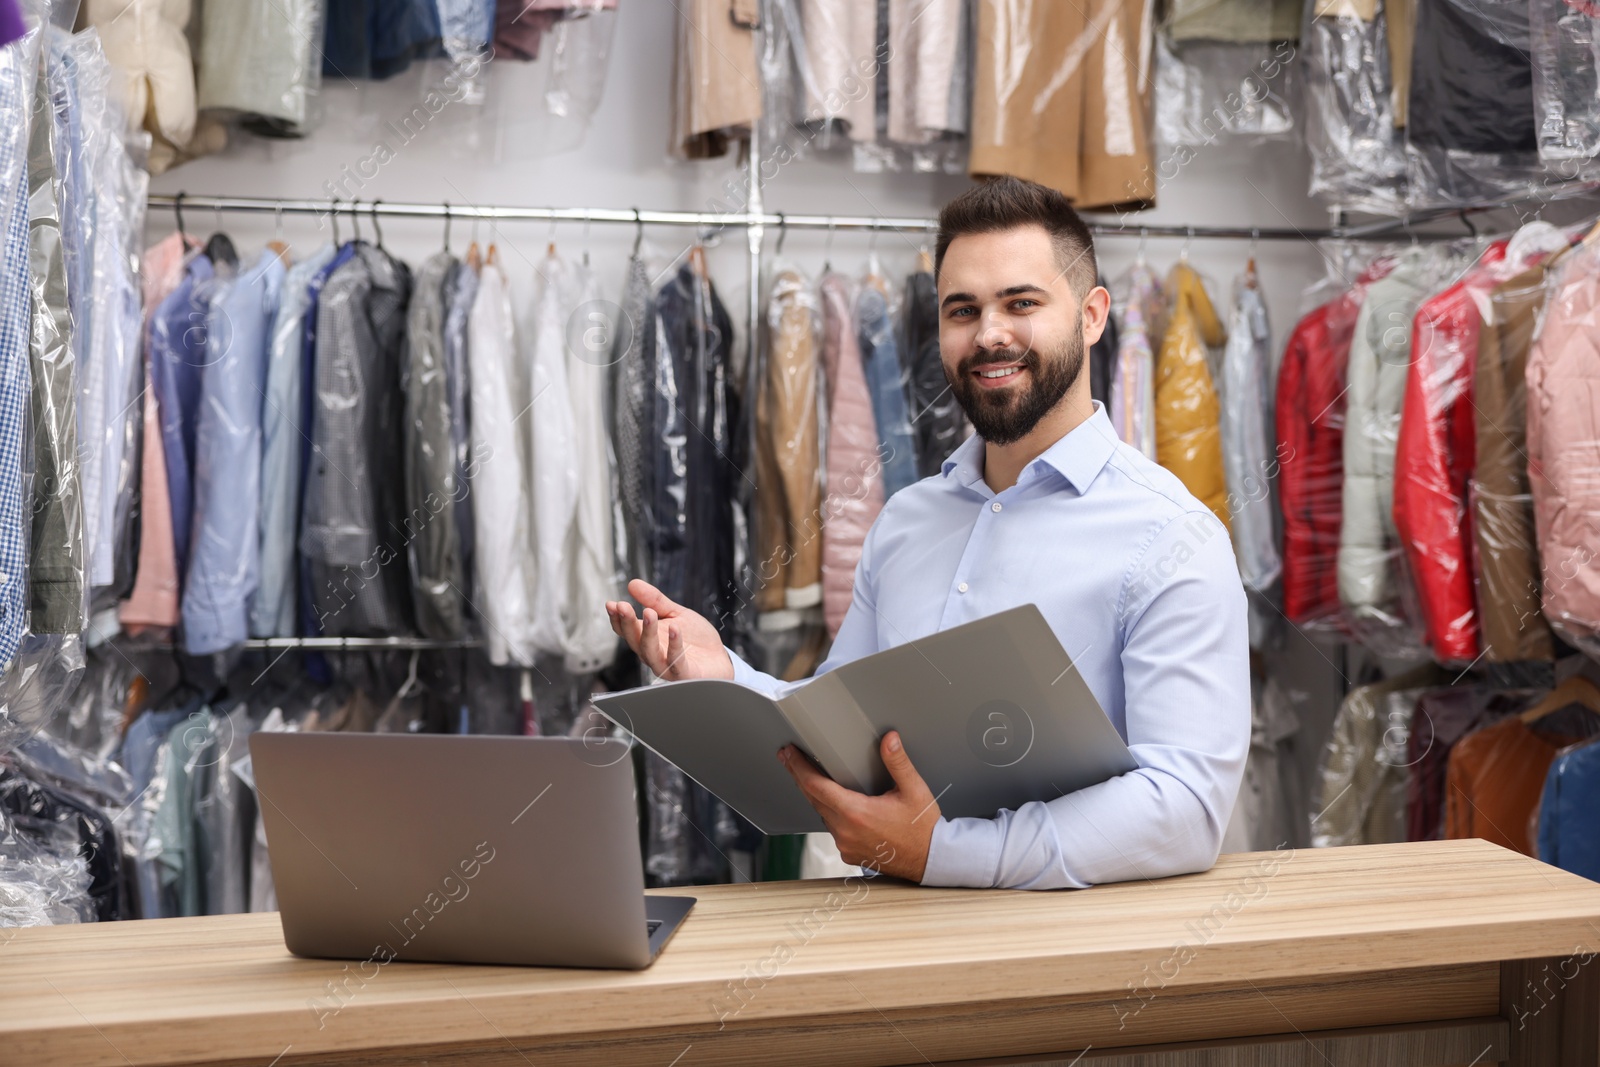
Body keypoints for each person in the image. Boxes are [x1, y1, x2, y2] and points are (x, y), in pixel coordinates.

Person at [605, 176, 1250, 890]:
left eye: (1021, 303)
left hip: (1078, 978)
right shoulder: (907, 523)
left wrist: (945, 851)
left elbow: (1187, 807)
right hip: (896, 955)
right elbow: (842, 731)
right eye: (962, 310)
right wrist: (724, 678)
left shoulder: (1172, 536)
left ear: (1093, 315)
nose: (989, 334)